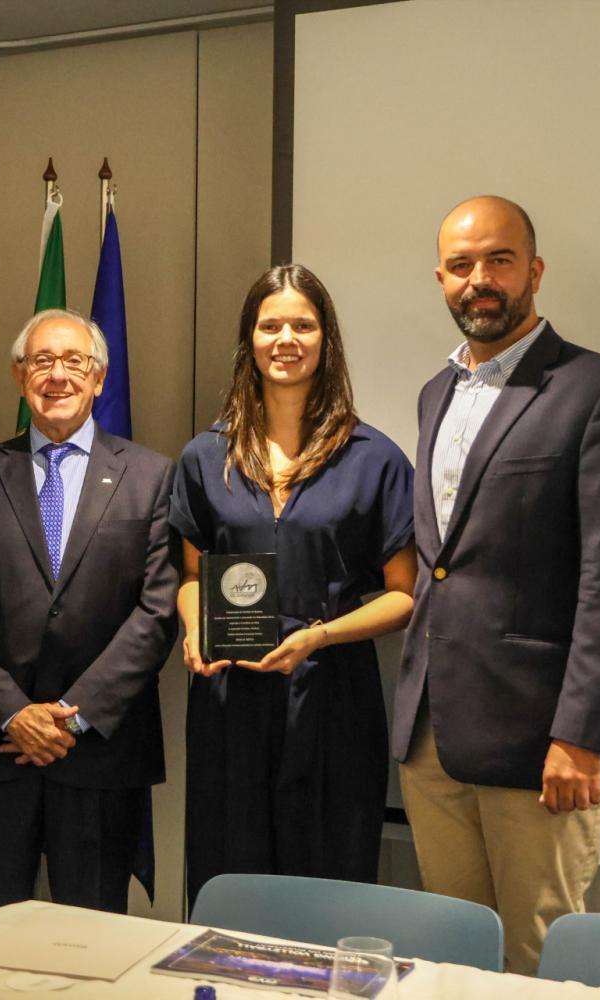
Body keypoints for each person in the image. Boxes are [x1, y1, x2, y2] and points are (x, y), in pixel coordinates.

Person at [393, 195, 600, 974]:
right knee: (449, 953)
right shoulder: (434, 394)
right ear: (441, 277)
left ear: (534, 271)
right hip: (431, 736)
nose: (480, 280)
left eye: (499, 261)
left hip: (544, 744)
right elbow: (442, 564)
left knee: (537, 962)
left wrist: (582, 734)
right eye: (462, 265)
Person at [171, 265, 416, 906]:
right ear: (249, 340)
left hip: (333, 695)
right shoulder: (204, 456)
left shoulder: (376, 457)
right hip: (230, 698)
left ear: (325, 339)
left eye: (303, 325)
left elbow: (403, 595)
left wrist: (319, 636)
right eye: (270, 324)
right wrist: (195, 627)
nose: (287, 338)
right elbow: (193, 575)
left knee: (328, 883)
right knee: (232, 882)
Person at [0, 308, 177, 914]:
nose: (58, 375)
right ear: (20, 377)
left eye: (75, 362)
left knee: (92, 943)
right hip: (1, 751)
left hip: (98, 754)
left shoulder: (151, 477)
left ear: (99, 380)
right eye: (43, 361)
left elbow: (156, 614)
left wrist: (73, 718)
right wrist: (14, 713)